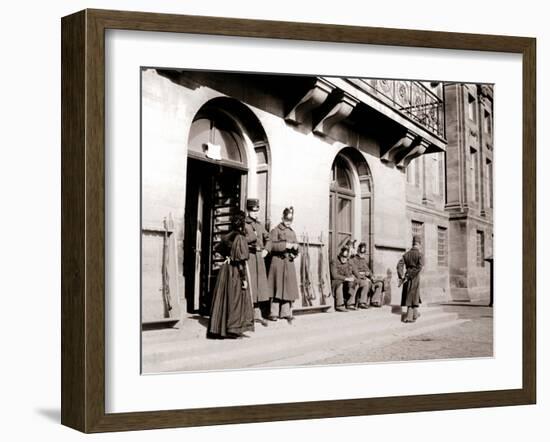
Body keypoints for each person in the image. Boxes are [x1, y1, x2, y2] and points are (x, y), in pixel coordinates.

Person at [207, 210, 255, 338]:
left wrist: (227, 257)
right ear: (242, 224)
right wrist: (243, 278)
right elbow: (240, 260)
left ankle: (221, 328)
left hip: (225, 270)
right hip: (235, 272)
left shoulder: (227, 236)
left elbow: (218, 249)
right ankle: (232, 329)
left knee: (225, 298)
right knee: (236, 299)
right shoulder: (240, 238)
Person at [267, 207, 300, 323]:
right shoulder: (275, 230)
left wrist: (295, 251)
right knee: (276, 287)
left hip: (288, 262)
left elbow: (296, 245)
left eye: (290, 221)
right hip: (278, 262)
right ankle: (274, 312)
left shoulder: (292, 231)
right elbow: (271, 246)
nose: (288, 223)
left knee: (288, 288)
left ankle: (285, 312)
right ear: (282, 218)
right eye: (286, 220)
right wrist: (285, 245)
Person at [244, 198, 270, 327]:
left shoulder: (259, 225)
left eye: (257, 211)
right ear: (248, 211)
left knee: (260, 286)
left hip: (260, 257)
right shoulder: (244, 224)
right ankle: (249, 315)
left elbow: (268, 238)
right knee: (251, 284)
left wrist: (266, 249)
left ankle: (258, 314)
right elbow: (240, 240)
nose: (255, 213)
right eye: (253, 211)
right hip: (250, 257)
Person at [397, 235, 424, 323]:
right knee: (412, 295)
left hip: (407, 275)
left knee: (413, 294)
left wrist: (401, 276)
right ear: (419, 244)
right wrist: (411, 275)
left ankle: (415, 314)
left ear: (412, 243)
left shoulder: (406, 254)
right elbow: (420, 267)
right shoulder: (420, 254)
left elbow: (399, 265)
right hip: (415, 277)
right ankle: (409, 317)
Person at [330, 247, 357, 312]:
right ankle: (339, 305)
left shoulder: (347, 262)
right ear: (340, 256)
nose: (344, 259)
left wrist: (351, 278)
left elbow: (348, 273)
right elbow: (334, 275)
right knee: (339, 283)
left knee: (354, 282)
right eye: (343, 257)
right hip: (335, 282)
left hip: (344, 280)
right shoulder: (334, 261)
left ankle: (350, 303)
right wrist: (346, 278)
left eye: (346, 257)